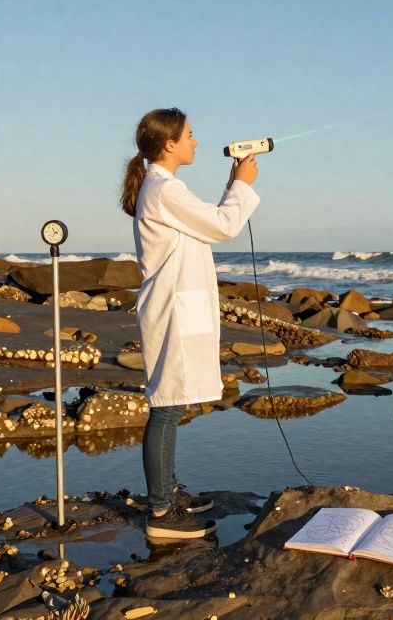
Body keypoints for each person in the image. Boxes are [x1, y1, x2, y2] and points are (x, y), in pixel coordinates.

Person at [119, 107, 260, 539]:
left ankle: (166, 492)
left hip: (177, 307)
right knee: (166, 407)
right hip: (172, 310)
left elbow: (207, 222)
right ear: (169, 144)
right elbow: (224, 226)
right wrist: (242, 185)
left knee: (171, 403)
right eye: (190, 135)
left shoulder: (167, 189)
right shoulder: (164, 189)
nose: (196, 142)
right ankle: (161, 513)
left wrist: (233, 185)